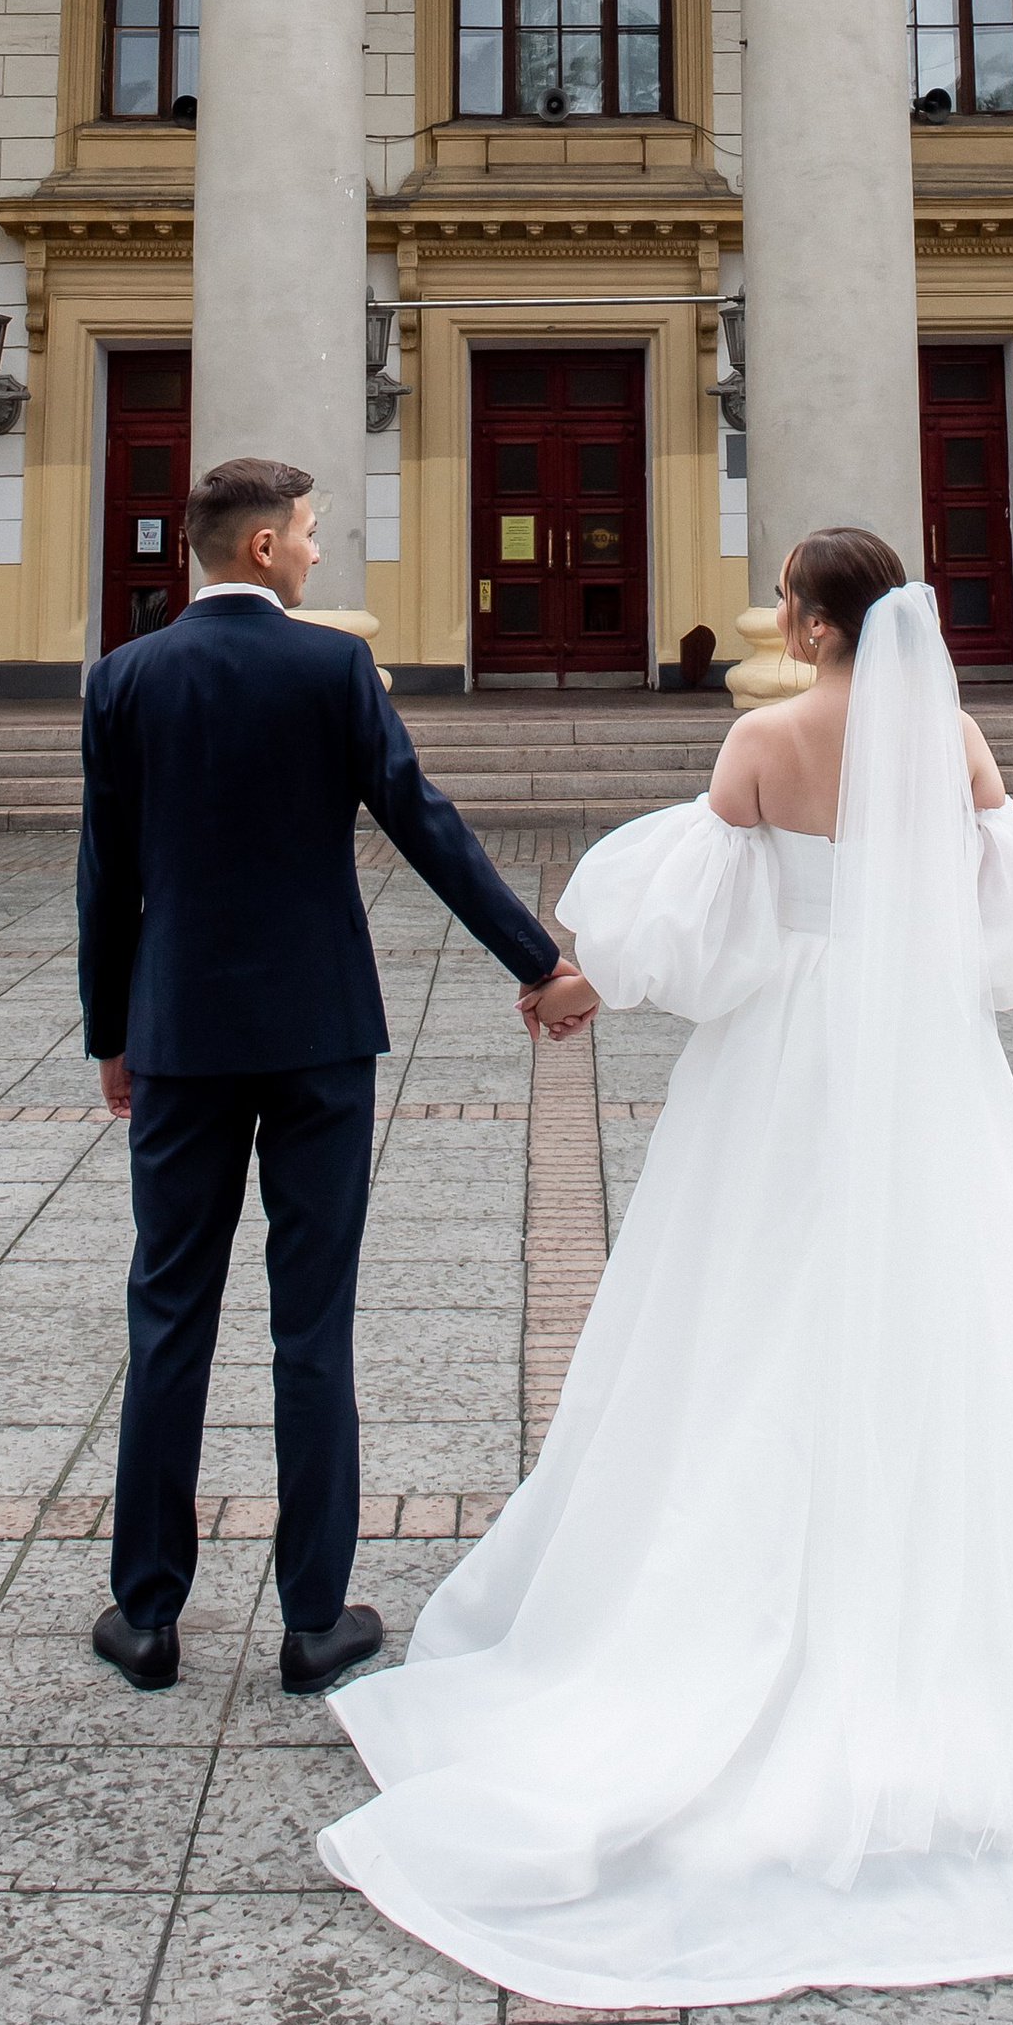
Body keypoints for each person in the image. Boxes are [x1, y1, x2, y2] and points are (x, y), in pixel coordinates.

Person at [318, 528, 1013, 1997]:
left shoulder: (764, 738)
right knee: (957, 1294)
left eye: (786, 604)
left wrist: (580, 979)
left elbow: (696, 930)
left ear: (816, 626)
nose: (780, 619)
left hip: (786, 1056)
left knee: (745, 1300)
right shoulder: (954, 738)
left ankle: (730, 1579)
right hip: (925, 1053)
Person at [77, 453, 598, 1700]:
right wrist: (539, 960)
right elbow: (422, 820)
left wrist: (111, 1032)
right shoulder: (331, 667)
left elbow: (106, 873)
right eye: (308, 532)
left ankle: (146, 1615)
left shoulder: (124, 678)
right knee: (311, 1324)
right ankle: (314, 1620)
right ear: (262, 547)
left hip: (179, 1036)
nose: (317, 550)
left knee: (168, 1314)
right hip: (317, 1034)